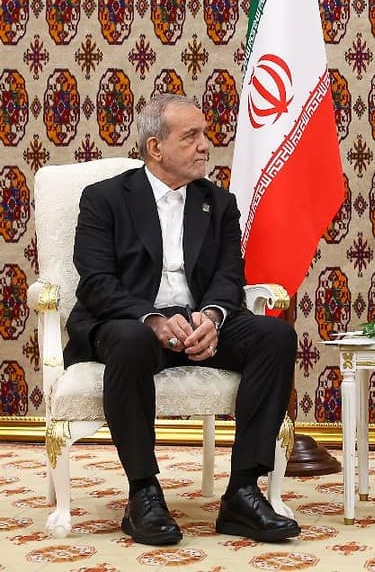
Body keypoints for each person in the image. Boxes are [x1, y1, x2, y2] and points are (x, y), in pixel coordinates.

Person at [63, 93, 300, 546]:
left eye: (204, 134)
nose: (205, 145)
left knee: (274, 336)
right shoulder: (104, 199)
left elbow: (229, 276)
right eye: (191, 136)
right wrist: (151, 319)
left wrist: (212, 317)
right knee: (131, 340)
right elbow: (96, 282)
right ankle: (144, 493)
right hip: (130, 322)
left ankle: (243, 493)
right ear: (156, 147)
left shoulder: (219, 202)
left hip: (196, 322)